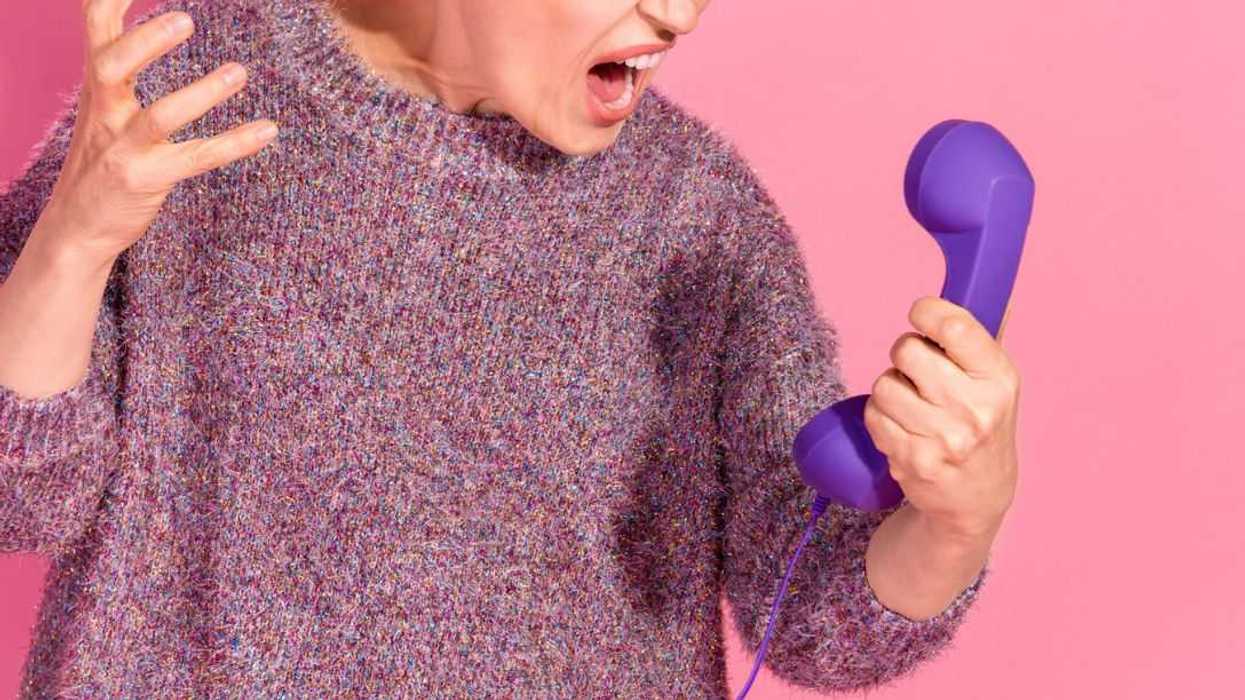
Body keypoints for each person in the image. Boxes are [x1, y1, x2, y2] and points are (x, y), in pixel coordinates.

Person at [0, 0, 998, 696]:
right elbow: (21, 500)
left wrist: (957, 520)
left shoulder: (698, 218)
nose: (679, 15)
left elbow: (816, 618)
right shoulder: (187, 102)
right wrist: (71, 244)